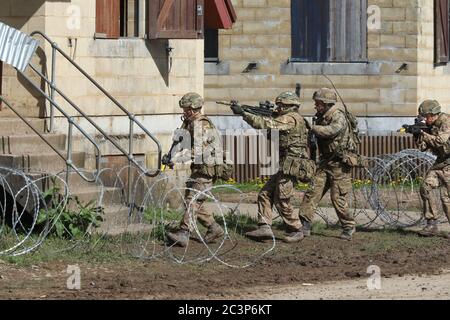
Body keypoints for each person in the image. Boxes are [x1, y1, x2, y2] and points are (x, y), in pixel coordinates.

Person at [231, 92, 312, 243]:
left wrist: (243, 113)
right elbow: (272, 133)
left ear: (290, 106)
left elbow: (265, 124)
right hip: (286, 164)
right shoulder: (290, 119)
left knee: (282, 199)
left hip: (292, 165)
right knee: (265, 194)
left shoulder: (291, 118)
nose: (278, 108)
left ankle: (297, 229)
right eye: (278, 105)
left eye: (281, 105)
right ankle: (264, 227)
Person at [166, 92, 228, 247]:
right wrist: (171, 155)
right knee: (192, 200)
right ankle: (214, 228)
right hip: (199, 167)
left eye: (186, 108)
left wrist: (178, 159)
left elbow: (199, 150)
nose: (183, 111)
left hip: (208, 168)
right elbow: (180, 140)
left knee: (192, 200)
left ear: (193, 108)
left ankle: (184, 232)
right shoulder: (189, 122)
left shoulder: (201, 124)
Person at [298, 88, 358, 241]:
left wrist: (312, 128)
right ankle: (305, 224)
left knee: (337, 197)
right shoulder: (321, 116)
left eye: (318, 103)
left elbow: (331, 131)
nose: (315, 106)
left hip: (340, 164)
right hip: (325, 162)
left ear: (326, 103)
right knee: (313, 191)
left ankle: (348, 226)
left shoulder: (338, 116)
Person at [416, 100, 450, 237]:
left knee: (446, 198)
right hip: (441, 163)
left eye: (424, 116)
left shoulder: (446, 121)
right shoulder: (430, 126)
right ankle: (431, 224)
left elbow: (439, 141)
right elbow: (423, 148)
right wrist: (417, 135)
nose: (423, 119)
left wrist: (423, 134)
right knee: (425, 187)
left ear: (432, 114)